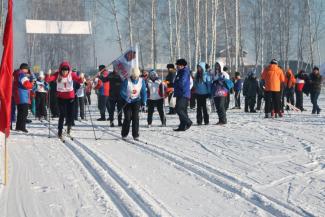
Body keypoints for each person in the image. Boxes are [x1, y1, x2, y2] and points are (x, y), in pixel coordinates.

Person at [45, 61, 84, 138]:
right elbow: (48, 80)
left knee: (70, 114)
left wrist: (82, 77)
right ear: (60, 70)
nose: (64, 72)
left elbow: (80, 81)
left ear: (68, 70)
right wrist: (48, 74)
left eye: (66, 71)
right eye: (63, 71)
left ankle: (69, 127)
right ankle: (60, 130)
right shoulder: (57, 74)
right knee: (62, 114)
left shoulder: (71, 74)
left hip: (70, 97)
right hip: (61, 98)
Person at [120, 67, 147, 140]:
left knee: (135, 118)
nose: (135, 78)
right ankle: (124, 134)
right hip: (127, 101)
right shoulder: (127, 81)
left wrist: (144, 102)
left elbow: (143, 92)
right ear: (131, 75)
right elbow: (122, 91)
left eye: (136, 76)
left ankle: (135, 135)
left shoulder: (142, 81)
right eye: (134, 76)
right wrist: (126, 97)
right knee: (128, 118)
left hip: (136, 100)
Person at [13, 63, 34, 133]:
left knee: (20, 112)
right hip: (22, 96)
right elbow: (26, 84)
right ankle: (22, 127)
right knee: (24, 112)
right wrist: (31, 84)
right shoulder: (21, 74)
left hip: (19, 95)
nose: (27, 71)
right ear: (24, 69)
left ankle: (18, 126)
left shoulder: (17, 73)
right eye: (27, 69)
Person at [173, 59, 192, 131]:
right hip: (180, 93)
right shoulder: (180, 72)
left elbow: (182, 82)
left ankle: (188, 121)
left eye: (177, 65)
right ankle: (182, 126)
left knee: (178, 109)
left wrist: (175, 84)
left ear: (181, 65)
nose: (177, 66)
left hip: (183, 94)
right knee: (183, 110)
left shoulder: (184, 72)